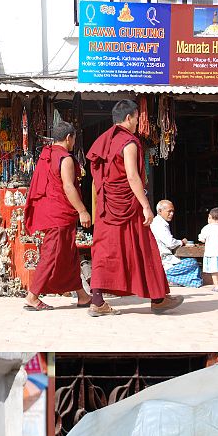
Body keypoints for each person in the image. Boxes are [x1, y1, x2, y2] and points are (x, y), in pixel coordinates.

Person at [85, 101, 184, 317]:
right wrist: (146, 206)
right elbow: (132, 176)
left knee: (104, 250)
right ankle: (158, 299)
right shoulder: (128, 142)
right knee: (145, 247)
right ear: (129, 118)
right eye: (137, 118)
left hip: (107, 205)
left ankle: (98, 300)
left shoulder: (104, 140)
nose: (138, 122)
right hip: (128, 204)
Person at [22, 121, 91, 310]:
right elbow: (68, 187)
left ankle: (83, 295)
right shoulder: (65, 159)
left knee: (68, 255)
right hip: (58, 214)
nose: (74, 142)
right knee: (51, 255)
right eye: (74, 139)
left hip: (52, 212)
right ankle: (32, 296)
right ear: (69, 138)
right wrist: (82, 210)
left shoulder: (48, 155)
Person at [150, 200, 203, 288]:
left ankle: (180, 280)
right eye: (169, 211)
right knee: (192, 263)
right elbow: (170, 243)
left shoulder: (160, 223)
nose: (171, 214)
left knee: (193, 265)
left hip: (167, 259)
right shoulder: (159, 224)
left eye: (172, 211)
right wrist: (181, 242)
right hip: (164, 261)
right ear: (160, 211)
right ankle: (167, 277)